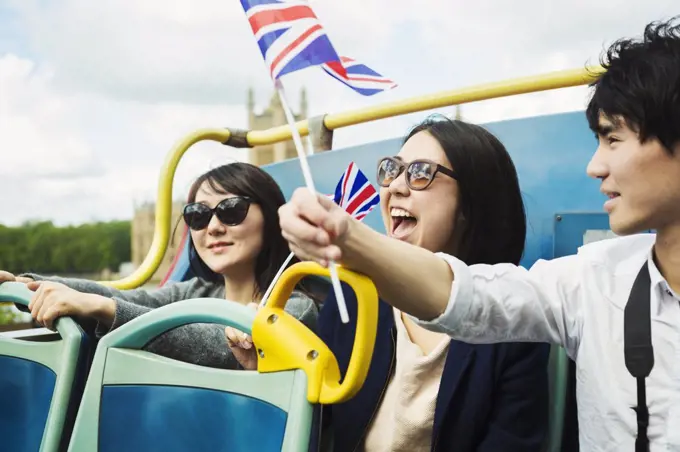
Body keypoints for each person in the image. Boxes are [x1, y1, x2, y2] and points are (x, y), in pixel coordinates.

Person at [278, 17, 680, 451]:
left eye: (613, 138)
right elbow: (471, 297)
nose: (594, 167)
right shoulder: (591, 282)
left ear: (471, 205)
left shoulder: (522, 340)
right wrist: (350, 241)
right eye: (392, 170)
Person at [272, 116, 550, 451]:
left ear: (471, 204)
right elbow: (312, 418)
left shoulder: (511, 319)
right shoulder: (352, 299)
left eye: (420, 173)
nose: (395, 187)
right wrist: (269, 369)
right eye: (392, 170)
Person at [0, 162, 318, 369]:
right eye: (198, 215)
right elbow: (133, 300)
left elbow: (214, 348)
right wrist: (21, 284)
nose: (214, 227)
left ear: (274, 217)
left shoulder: (295, 306)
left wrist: (103, 308)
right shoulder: (198, 292)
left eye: (231, 209)